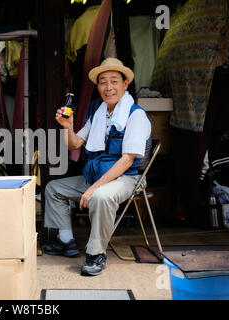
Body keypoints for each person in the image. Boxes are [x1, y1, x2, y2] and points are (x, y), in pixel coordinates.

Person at [43, 58, 152, 276]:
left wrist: (93, 188)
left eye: (114, 81)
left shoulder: (135, 115)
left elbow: (127, 160)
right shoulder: (100, 114)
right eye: (103, 82)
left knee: (100, 196)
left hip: (127, 177)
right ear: (98, 86)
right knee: (53, 188)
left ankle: (96, 253)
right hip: (97, 175)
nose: (108, 87)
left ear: (125, 84)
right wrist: (68, 126)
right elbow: (75, 144)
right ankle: (67, 240)